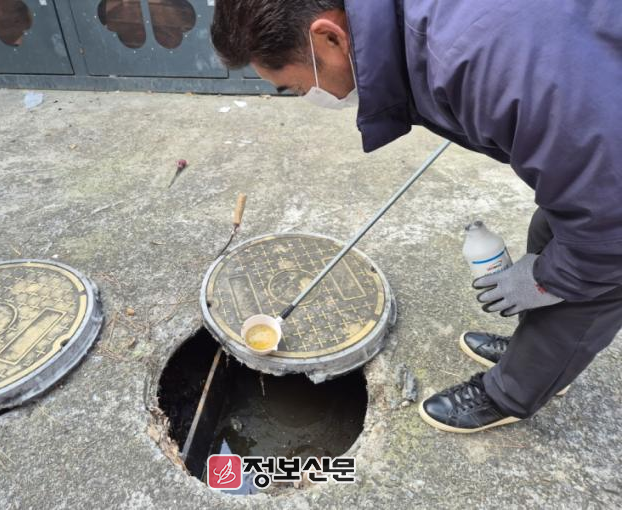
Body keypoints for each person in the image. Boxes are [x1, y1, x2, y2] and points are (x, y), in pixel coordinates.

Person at [210, 0, 622, 433]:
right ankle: (541, 355)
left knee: (589, 270)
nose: (308, 97)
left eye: (297, 88)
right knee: (553, 226)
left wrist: (547, 280)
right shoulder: (429, 34)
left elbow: (609, 223)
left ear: (330, 37)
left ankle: (513, 392)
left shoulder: (477, 63)